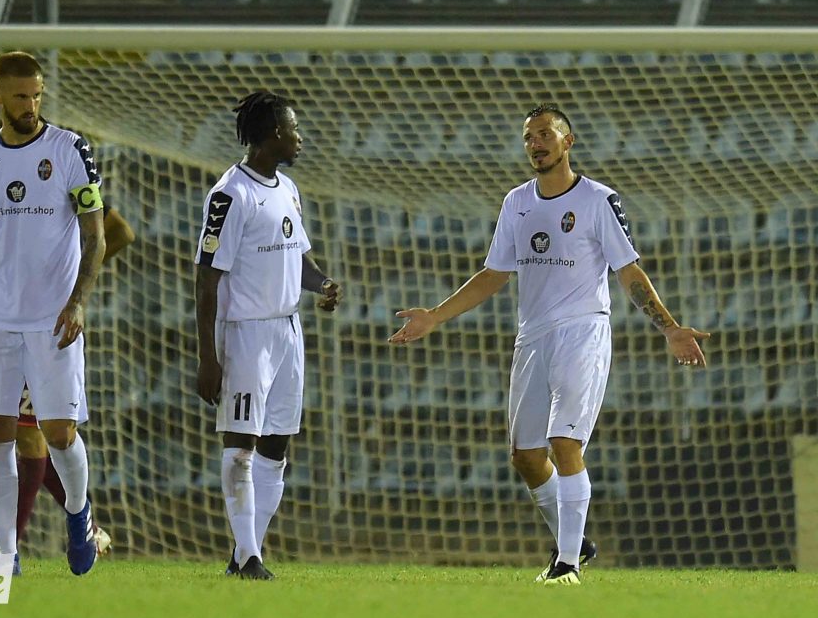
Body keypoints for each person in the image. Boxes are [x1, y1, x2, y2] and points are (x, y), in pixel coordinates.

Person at [389, 104, 709, 586]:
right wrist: (435, 315)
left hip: (583, 332)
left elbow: (628, 271)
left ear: (567, 141)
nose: (535, 143)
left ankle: (567, 565)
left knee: (565, 441)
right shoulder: (516, 202)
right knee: (525, 456)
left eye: (544, 134)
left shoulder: (599, 199)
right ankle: (575, 542)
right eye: (528, 137)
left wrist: (669, 327)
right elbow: (494, 274)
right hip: (533, 336)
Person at [0, 51, 106, 576]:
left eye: (37, 95)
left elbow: (96, 234)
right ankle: (6, 554)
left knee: (59, 433)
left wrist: (78, 300)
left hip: (52, 319)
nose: (30, 105)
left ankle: (79, 515)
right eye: (20, 96)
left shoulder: (69, 149)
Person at [194, 92, 342, 580]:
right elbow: (207, 277)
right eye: (294, 129)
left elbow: (297, 254)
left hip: (287, 331)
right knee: (241, 442)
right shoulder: (230, 195)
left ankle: (246, 553)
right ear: (274, 133)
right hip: (246, 334)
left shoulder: (288, 188)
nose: (300, 137)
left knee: (277, 446)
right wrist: (208, 357)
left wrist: (322, 283)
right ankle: (249, 556)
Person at [12, 204, 135, 565]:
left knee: (32, 436)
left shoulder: (64, 183)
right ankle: (87, 526)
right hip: (9, 317)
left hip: (48, 327)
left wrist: (69, 285)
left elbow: (120, 231)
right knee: (26, 433)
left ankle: (7, 547)